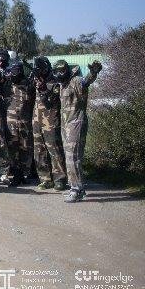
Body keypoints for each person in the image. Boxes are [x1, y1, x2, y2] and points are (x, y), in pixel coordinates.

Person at [53, 59, 102, 202]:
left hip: (76, 123)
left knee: (73, 157)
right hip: (66, 125)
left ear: (67, 70)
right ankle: (76, 187)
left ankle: (76, 189)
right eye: (57, 71)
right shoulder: (62, 84)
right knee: (70, 158)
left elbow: (86, 81)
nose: (59, 74)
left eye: (62, 71)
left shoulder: (75, 81)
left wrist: (93, 73)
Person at [32, 56, 67, 190]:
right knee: (39, 150)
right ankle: (45, 179)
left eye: (41, 69)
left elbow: (52, 102)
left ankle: (60, 179)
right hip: (37, 120)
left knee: (54, 150)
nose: (39, 72)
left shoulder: (55, 82)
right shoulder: (36, 80)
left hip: (51, 121)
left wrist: (44, 90)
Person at [4, 61, 36, 185]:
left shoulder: (29, 84)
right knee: (12, 148)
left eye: (16, 71)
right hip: (11, 121)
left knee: (26, 147)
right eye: (12, 71)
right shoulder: (7, 84)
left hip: (25, 120)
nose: (13, 74)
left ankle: (24, 173)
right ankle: (16, 173)